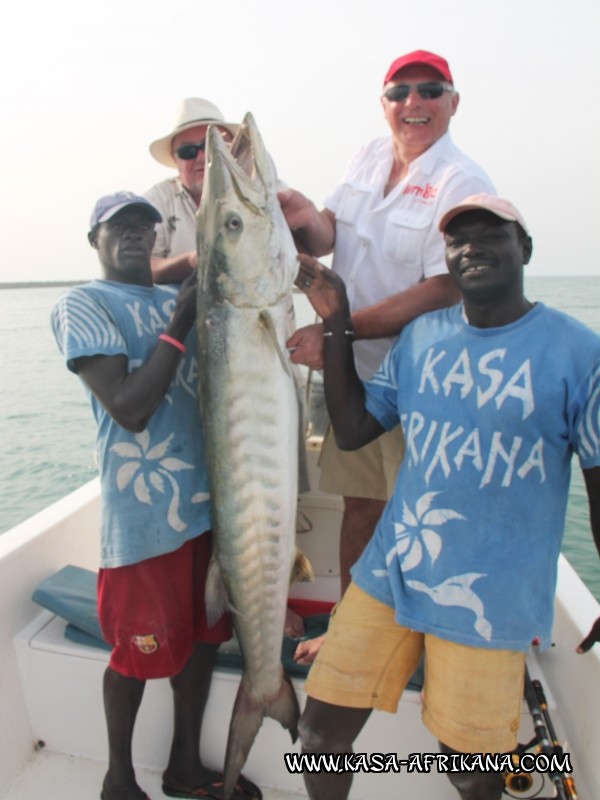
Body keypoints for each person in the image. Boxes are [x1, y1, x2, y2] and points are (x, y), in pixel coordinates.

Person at [291, 193, 600, 800]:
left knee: (472, 773)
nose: (471, 248)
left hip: (493, 598)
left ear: (526, 249)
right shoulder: (422, 336)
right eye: (457, 240)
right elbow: (353, 432)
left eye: (491, 235)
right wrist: (336, 320)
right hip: (389, 573)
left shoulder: (580, 353)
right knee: (317, 737)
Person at [278, 50, 495, 662]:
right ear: (384, 103)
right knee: (360, 506)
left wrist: (338, 333)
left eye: (430, 90)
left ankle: (434, 637)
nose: (413, 103)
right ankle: (349, 631)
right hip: (353, 375)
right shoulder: (369, 156)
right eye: (399, 92)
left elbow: (443, 287)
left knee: (430, 513)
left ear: (453, 102)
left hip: (425, 380)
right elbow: (331, 231)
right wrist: (302, 217)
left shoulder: (462, 181)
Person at [51, 192, 261, 800]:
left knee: (200, 644)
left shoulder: (181, 297)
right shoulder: (84, 304)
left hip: (209, 512)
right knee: (134, 656)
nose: (137, 234)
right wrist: (178, 326)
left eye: (146, 224)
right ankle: (118, 780)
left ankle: (184, 767)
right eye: (120, 227)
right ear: (96, 240)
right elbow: (128, 409)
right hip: (144, 522)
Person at [145, 97, 238, 284]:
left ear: (231, 147)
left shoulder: (257, 187)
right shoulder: (157, 201)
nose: (201, 157)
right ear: (175, 158)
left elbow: (312, 245)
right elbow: (142, 267)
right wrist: (194, 261)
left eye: (210, 145)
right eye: (187, 151)